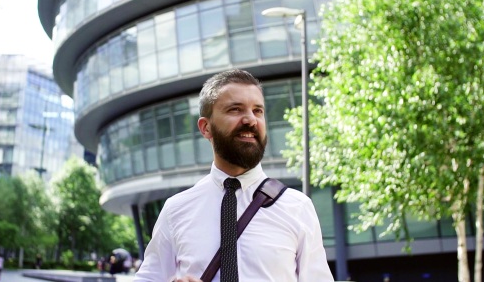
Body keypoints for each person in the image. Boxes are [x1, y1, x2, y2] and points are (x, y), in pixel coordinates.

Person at [134, 69, 334, 281]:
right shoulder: (176, 211)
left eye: (258, 111)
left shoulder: (297, 207)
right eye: (235, 109)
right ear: (205, 127)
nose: (250, 120)